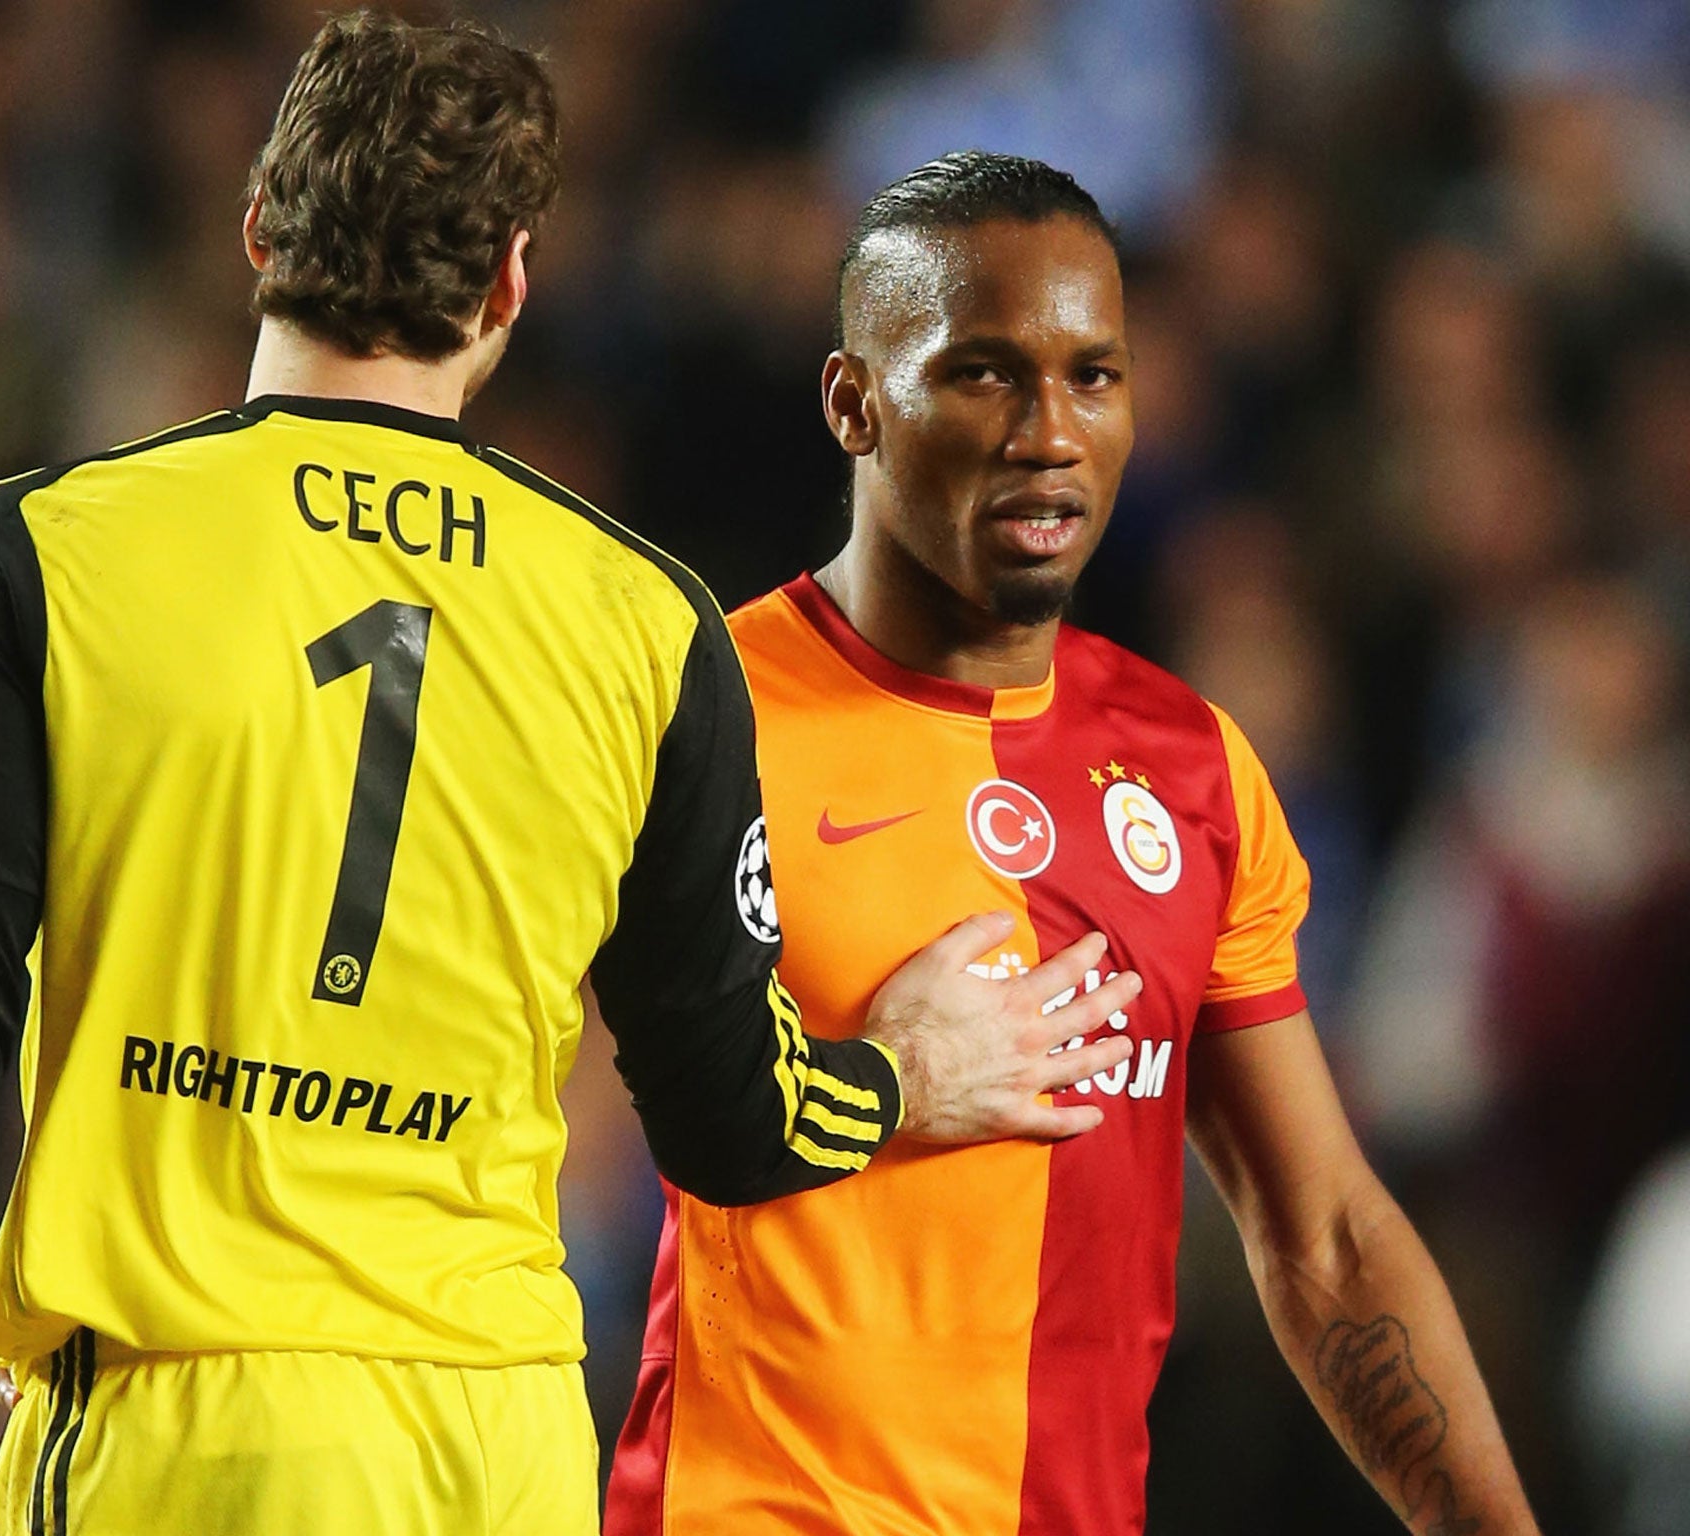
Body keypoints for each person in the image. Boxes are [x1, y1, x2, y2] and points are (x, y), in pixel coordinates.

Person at [0, 27, 1143, 1536]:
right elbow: (728, 1118)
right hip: (496, 1446)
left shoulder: (46, 555)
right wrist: (906, 1075)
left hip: (186, 1430)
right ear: (510, 281)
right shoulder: (644, 622)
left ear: (258, 231)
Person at [604, 153, 1540, 1536]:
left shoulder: (1195, 769)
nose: (1051, 431)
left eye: (1094, 376)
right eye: (984, 372)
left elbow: (1328, 1239)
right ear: (853, 402)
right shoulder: (696, 715)